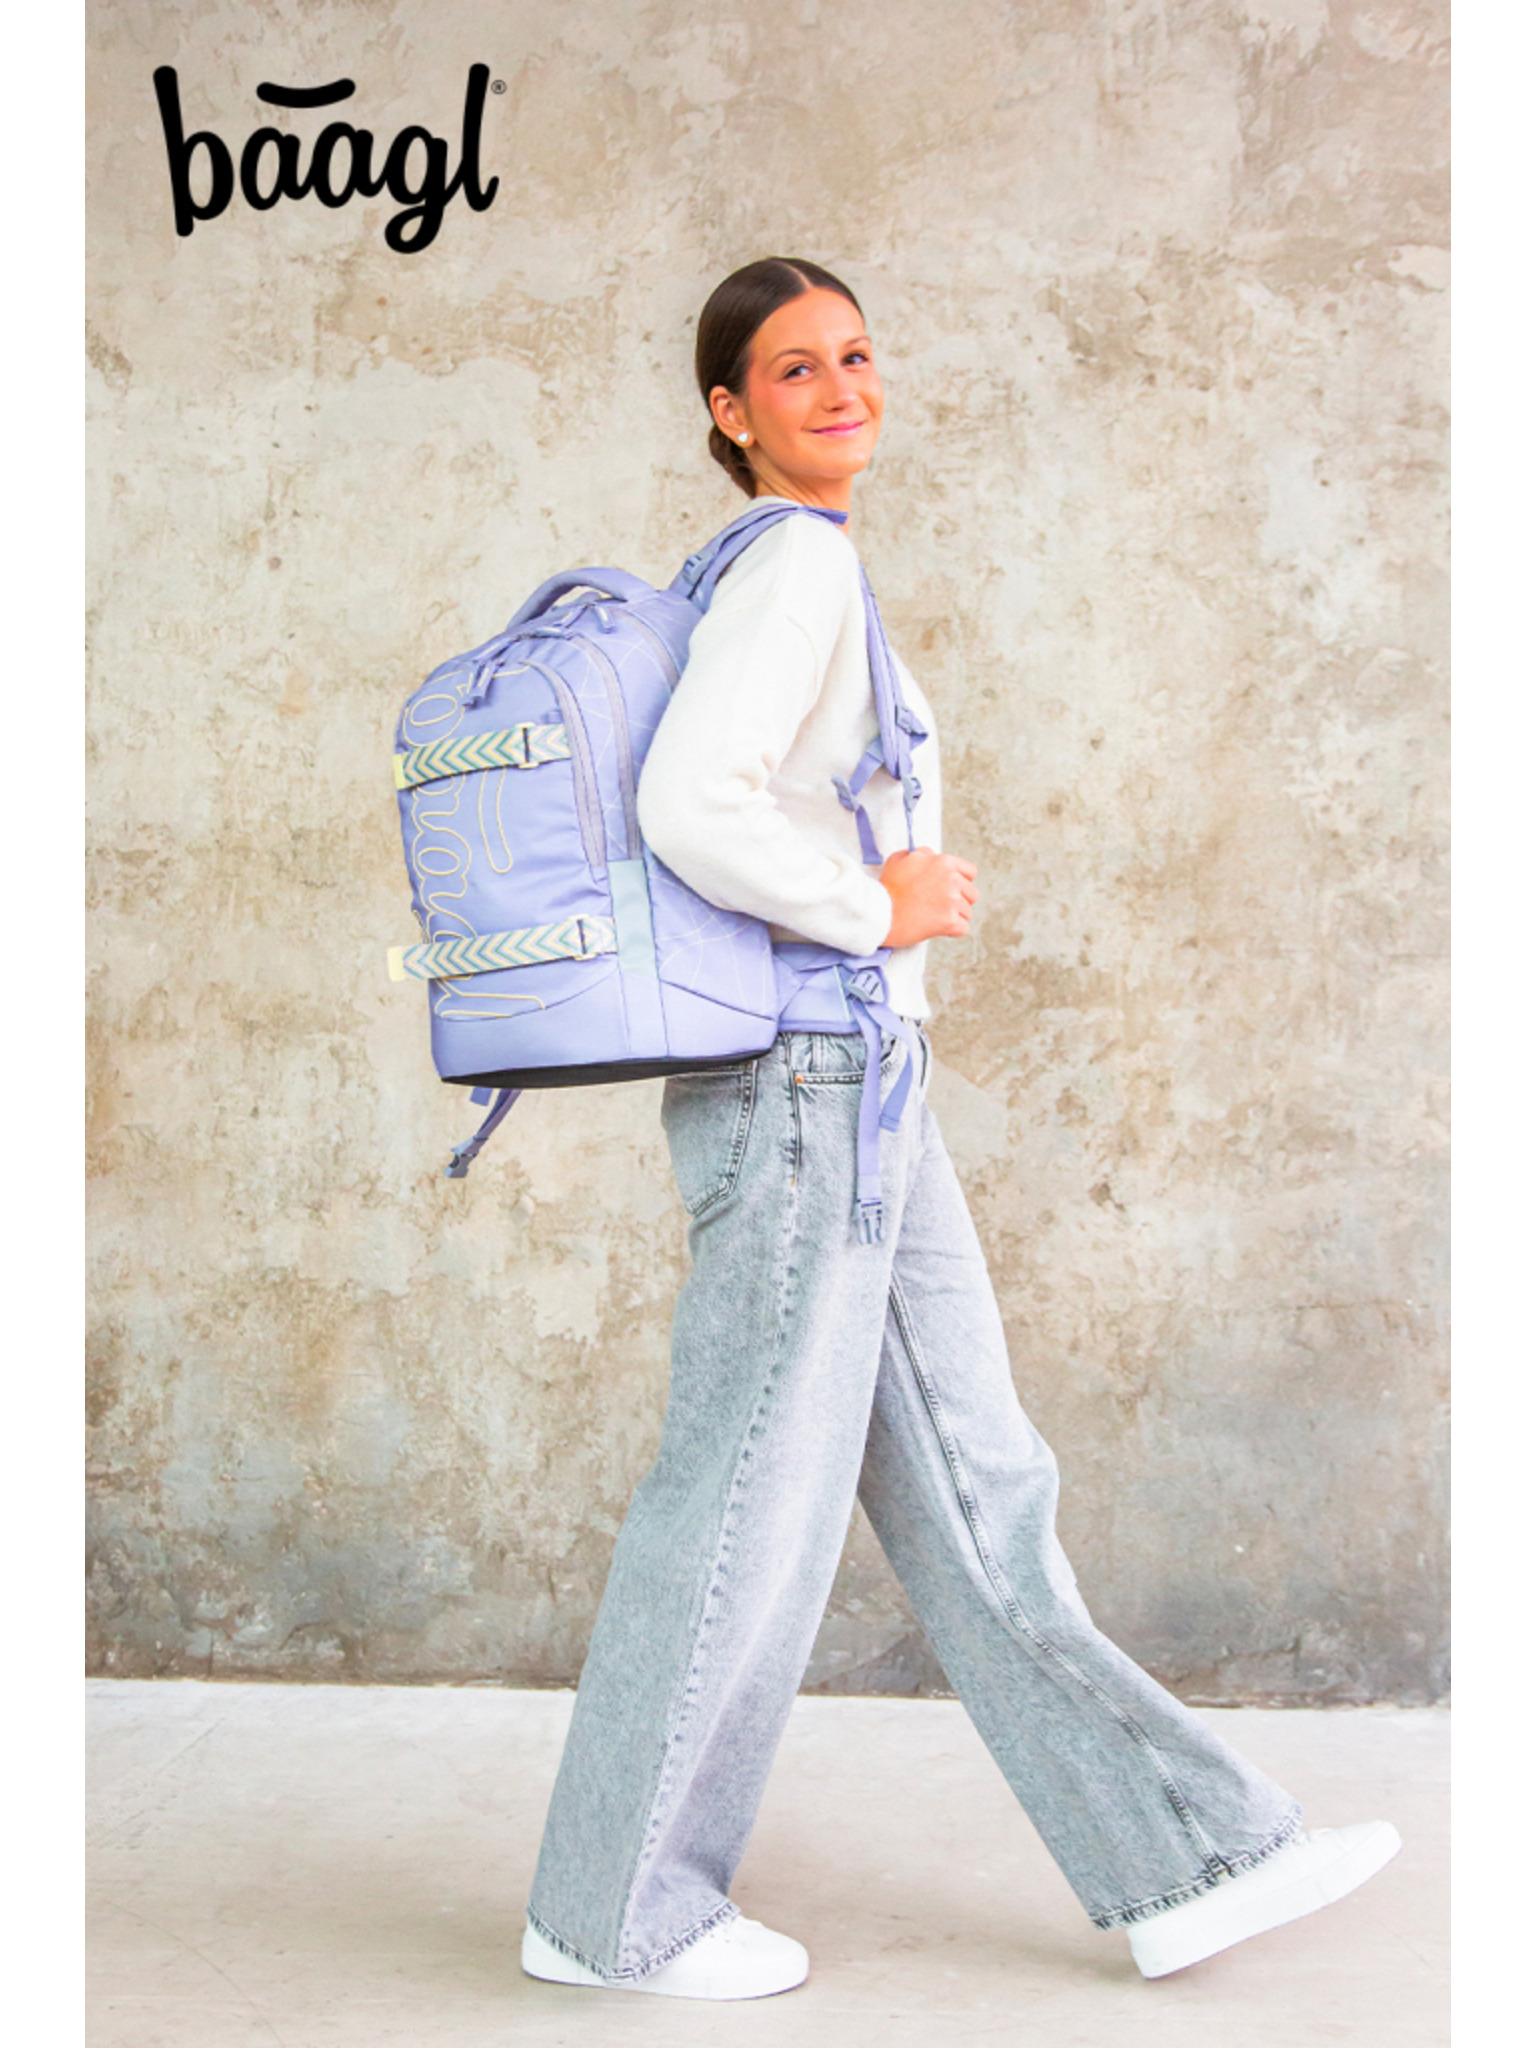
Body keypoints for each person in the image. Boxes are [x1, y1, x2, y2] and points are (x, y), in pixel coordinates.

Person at [520, 257, 1399, 2001]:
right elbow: (688, 803)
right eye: (794, 368)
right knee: (743, 1500)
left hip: (858, 1088)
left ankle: (1189, 1855)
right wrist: (875, 902)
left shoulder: (769, 568)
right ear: (728, 411)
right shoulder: (794, 564)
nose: (842, 386)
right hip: (803, 1084)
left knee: (986, 1489)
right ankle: (611, 1915)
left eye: (856, 354)